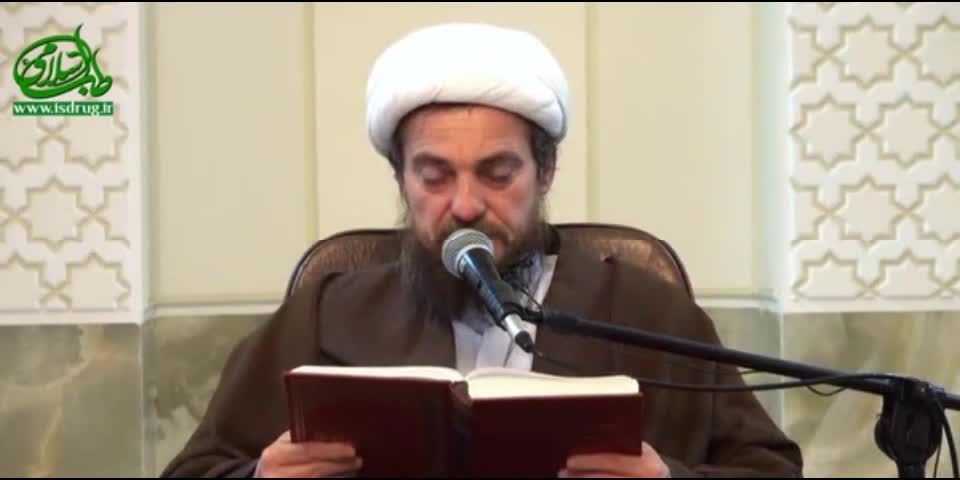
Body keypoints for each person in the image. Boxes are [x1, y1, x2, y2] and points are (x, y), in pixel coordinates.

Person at [161, 23, 803, 478]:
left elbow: (770, 469)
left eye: (497, 174)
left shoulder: (648, 311)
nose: (465, 205)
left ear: (544, 173)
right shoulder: (326, 312)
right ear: (401, 180)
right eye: (435, 176)